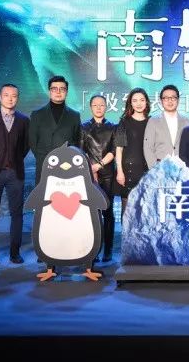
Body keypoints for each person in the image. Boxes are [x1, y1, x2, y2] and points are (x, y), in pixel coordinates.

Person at [0, 84, 30, 265]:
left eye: (14, 95)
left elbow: (25, 146)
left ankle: (14, 252)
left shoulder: (24, 120)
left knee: (17, 213)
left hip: (15, 173)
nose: (10, 98)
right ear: (0, 97)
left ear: (17, 98)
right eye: (6, 95)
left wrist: (14, 159)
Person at [80, 95, 117, 263]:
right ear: (90, 107)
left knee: (108, 212)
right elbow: (81, 152)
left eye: (101, 105)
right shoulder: (84, 127)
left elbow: (114, 151)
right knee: (91, 214)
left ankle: (108, 250)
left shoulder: (113, 127)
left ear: (106, 107)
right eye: (95, 105)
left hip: (108, 174)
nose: (98, 108)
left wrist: (99, 165)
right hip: (89, 175)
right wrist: (91, 169)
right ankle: (92, 250)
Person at [29, 75, 81, 184]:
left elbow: (77, 141)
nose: (58, 92)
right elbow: (32, 141)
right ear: (49, 92)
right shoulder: (37, 114)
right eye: (54, 89)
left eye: (62, 89)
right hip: (44, 163)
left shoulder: (74, 115)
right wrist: (42, 157)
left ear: (66, 92)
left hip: (67, 165)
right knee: (44, 193)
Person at [115, 88, 150, 218]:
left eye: (142, 100)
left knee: (144, 210)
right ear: (130, 103)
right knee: (127, 211)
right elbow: (119, 149)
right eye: (135, 100)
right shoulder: (124, 122)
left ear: (146, 102)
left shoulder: (152, 121)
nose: (138, 103)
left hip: (147, 169)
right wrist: (120, 171)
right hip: (128, 170)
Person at [143, 84, 189, 168]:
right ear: (161, 101)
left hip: (182, 168)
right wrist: (155, 169)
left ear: (178, 100)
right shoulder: (153, 121)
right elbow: (148, 147)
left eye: (173, 98)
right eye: (166, 98)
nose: (170, 101)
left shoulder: (188, 122)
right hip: (160, 168)